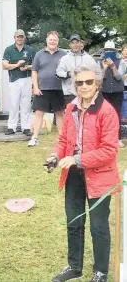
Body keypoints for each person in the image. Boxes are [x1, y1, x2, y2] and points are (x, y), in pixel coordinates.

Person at [44, 66, 120, 282]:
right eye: (80, 83)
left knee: (98, 226)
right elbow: (63, 141)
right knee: (74, 221)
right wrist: (54, 156)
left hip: (100, 177)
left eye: (89, 82)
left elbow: (109, 151)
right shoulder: (71, 109)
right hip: (74, 175)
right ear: (74, 85)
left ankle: (100, 272)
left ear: (97, 84)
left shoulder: (107, 111)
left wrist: (76, 159)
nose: (84, 86)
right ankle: (74, 267)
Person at [28, 31, 66, 147]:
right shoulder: (39, 54)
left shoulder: (64, 54)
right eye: (51, 39)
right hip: (42, 89)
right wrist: (35, 87)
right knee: (39, 113)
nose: (52, 42)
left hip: (59, 89)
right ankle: (35, 138)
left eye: (55, 40)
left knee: (60, 113)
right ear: (46, 40)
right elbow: (34, 71)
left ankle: (62, 140)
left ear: (58, 41)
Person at [3, 29, 36, 136]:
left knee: (26, 104)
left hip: (26, 78)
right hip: (14, 79)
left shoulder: (30, 50)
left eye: (21, 37)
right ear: (15, 38)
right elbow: (5, 65)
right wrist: (17, 65)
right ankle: (11, 127)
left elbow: (35, 65)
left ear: (24, 38)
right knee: (13, 104)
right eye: (18, 37)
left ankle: (25, 127)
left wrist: (27, 67)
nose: (20, 39)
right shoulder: (9, 49)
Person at [56, 34, 101, 105]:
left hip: (86, 92)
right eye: (73, 43)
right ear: (70, 45)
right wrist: (69, 73)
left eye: (77, 42)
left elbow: (97, 74)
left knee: (85, 114)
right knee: (71, 115)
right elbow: (58, 73)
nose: (75, 45)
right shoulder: (64, 59)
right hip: (70, 94)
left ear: (81, 44)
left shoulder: (89, 58)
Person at [100, 40, 125, 147]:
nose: (109, 52)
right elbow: (100, 78)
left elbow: (119, 77)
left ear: (115, 51)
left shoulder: (121, 62)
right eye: (107, 50)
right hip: (104, 92)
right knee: (103, 115)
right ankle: (104, 138)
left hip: (117, 92)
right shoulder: (100, 61)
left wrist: (113, 66)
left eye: (111, 50)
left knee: (116, 114)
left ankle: (117, 138)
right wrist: (104, 68)